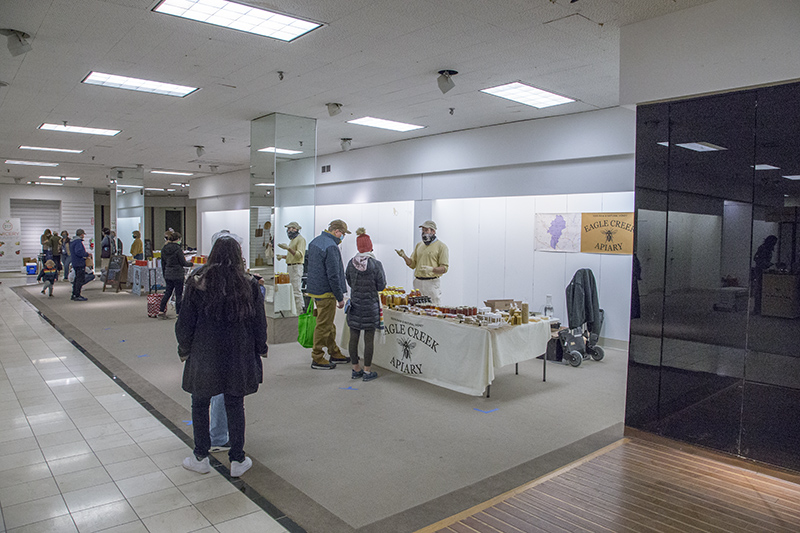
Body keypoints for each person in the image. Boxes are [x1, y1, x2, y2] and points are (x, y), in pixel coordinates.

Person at [176, 236, 267, 478]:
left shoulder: (197, 282)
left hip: (204, 352)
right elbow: (260, 323)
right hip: (238, 353)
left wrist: (184, 348)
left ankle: (200, 456)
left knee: (200, 403)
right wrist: (261, 348)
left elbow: (185, 322)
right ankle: (237, 458)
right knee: (235, 404)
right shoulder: (249, 284)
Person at [306, 219, 351, 369]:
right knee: (324, 325)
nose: (342, 237)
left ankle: (334, 351)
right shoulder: (331, 247)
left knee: (328, 324)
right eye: (343, 234)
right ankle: (317, 357)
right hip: (327, 292)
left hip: (316, 290)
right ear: (337, 231)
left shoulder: (315, 242)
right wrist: (340, 297)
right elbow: (333, 274)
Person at [346, 228, 386, 381]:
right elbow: (381, 286)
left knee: (353, 337)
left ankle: (355, 369)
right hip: (370, 305)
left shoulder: (351, 263)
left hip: (355, 304)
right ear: (370, 246)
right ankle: (368, 371)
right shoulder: (376, 264)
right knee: (368, 339)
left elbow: (348, 280)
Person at [396, 220, 449, 306]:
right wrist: (404, 256)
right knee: (417, 308)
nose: (423, 233)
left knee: (433, 308)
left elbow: (444, 268)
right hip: (418, 283)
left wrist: (432, 269)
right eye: (423, 230)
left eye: (426, 230)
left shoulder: (441, 247)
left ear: (433, 231)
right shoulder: (419, 245)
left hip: (431, 284)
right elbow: (412, 264)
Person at [158, 231, 192, 319]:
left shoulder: (164, 248)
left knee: (167, 293)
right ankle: (178, 313)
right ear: (178, 239)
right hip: (178, 274)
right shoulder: (178, 249)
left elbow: (163, 263)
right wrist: (191, 264)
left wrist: (164, 273)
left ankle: (161, 311)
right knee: (178, 294)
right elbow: (183, 262)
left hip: (168, 273)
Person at [277, 221, 306, 313]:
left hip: (296, 267)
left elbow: (299, 256)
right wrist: (282, 256)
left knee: (296, 290)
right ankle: (294, 310)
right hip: (291, 266)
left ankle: (299, 310)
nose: (289, 231)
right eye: (288, 229)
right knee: (291, 289)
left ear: (296, 229)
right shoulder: (292, 240)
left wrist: (288, 249)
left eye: (290, 229)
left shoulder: (300, 239)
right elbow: (292, 256)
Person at [752, 235, 778, 315]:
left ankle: (762, 308)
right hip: (760, 270)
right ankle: (757, 309)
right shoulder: (763, 248)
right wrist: (769, 264)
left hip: (764, 270)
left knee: (763, 290)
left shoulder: (768, 249)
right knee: (759, 289)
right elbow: (757, 259)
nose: (774, 244)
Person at [69, 229, 90, 301]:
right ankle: (77, 295)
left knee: (76, 279)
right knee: (79, 279)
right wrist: (86, 254)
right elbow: (79, 252)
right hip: (79, 262)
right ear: (81, 235)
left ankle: (74, 294)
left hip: (75, 262)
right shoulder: (78, 242)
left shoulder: (72, 242)